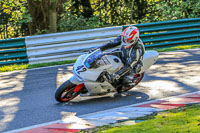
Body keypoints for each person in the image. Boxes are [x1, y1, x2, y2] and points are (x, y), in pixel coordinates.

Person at [91, 26, 145, 92]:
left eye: (129, 41)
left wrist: (117, 74)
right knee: (104, 56)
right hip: (122, 53)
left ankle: (122, 86)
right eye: (125, 40)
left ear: (135, 39)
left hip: (133, 64)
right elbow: (112, 43)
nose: (126, 42)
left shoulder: (137, 49)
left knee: (124, 81)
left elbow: (129, 65)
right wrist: (99, 49)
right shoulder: (124, 37)